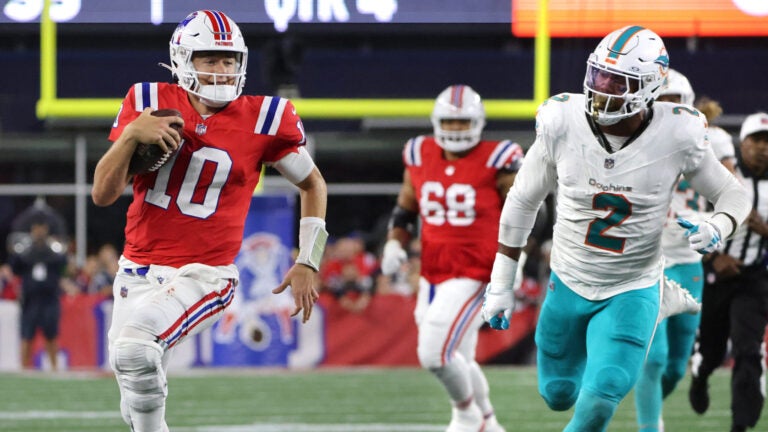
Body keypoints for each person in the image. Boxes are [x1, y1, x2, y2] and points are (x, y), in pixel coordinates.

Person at [481, 25, 750, 432]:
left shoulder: (677, 132)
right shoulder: (561, 121)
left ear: (648, 87)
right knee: (557, 394)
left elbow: (734, 194)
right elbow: (522, 200)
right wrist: (502, 282)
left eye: (617, 82)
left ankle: (653, 303)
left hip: (632, 285)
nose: (602, 90)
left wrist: (719, 223)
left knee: (602, 395)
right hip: (568, 278)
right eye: (597, 76)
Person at [91, 10, 328, 432]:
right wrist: (130, 135)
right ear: (183, 59)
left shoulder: (265, 118)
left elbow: (313, 184)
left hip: (206, 274)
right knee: (133, 392)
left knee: (135, 351)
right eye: (209, 59)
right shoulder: (148, 103)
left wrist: (309, 260)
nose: (221, 71)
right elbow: (103, 194)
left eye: (228, 61)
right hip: (138, 269)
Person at [381, 84, 524, 432]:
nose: (455, 129)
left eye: (462, 123)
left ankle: (466, 415)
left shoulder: (499, 157)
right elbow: (406, 207)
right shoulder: (418, 152)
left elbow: (526, 212)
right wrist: (394, 243)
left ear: (477, 122)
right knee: (457, 354)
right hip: (434, 271)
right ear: (435, 121)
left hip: (478, 271)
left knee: (434, 353)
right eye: (449, 121)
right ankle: (488, 421)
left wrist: (514, 263)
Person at [633, 68, 738, 432]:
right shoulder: (632, 139)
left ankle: (648, 408)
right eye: (659, 101)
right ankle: (650, 426)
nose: (666, 109)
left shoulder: (714, 141)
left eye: (673, 101)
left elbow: (731, 192)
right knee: (655, 357)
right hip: (647, 263)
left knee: (677, 363)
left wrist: (718, 229)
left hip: (690, 260)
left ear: (688, 105)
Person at [688, 112, 768, 432]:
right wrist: (713, 258)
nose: (762, 148)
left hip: (754, 276)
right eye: (756, 141)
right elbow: (689, 216)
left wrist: (764, 229)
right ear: (742, 143)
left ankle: (740, 426)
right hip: (717, 274)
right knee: (712, 350)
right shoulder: (722, 172)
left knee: (748, 350)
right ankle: (701, 374)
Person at [7, 211, 68, 370]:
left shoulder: (54, 250)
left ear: (46, 229)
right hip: (30, 299)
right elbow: (15, 267)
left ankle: (54, 368)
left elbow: (63, 265)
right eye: (36, 228)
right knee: (27, 335)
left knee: (51, 334)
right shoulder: (25, 250)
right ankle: (24, 368)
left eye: (42, 228)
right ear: (32, 229)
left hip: (49, 298)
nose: (39, 231)